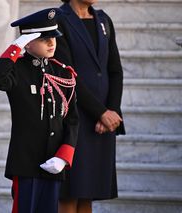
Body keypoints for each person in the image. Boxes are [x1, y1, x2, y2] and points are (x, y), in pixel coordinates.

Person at [0, 8, 79, 213]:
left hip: (53, 162)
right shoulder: (18, 70)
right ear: (28, 42)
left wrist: (64, 156)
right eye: (43, 38)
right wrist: (14, 48)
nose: (51, 42)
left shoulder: (63, 72)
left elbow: (72, 119)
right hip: (26, 164)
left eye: (53, 37)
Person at [54, 1, 126, 213]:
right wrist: (101, 112)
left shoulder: (103, 19)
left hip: (102, 122)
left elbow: (115, 70)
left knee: (88, 193)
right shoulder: (58, 19)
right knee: (69, 193)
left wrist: (111, 111)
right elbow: (67, 75)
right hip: (74, 119)